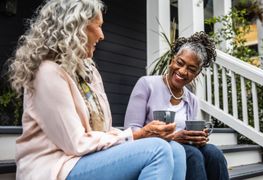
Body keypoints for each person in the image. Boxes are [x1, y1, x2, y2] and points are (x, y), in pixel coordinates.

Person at [8, 0, 186, 179]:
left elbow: (104, 131)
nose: (102, 35)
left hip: (88, 159)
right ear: (76, 28)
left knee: (176, 149)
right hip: (56, 167)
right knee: (157, 150)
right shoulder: (48, 72)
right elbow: (75, 144)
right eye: (98, 26)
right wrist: (137, 134)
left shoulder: (87, 70)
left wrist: (138, 134)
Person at [124, 32, 229, 180]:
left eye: (191, 69)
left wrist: (197, 137)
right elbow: (131, 131)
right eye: (180, 63)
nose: (182, 71)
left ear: (196, 74)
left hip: (184, 149)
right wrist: (174, 138)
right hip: (152, 148)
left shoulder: (192, 100)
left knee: (214, 153)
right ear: (172, 60)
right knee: (193, 155)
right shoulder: (147, 84)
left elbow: (187, 135)